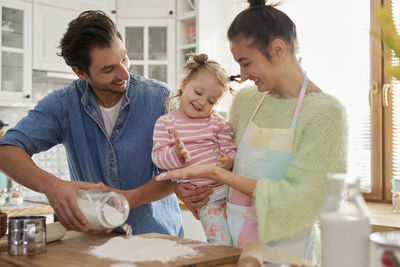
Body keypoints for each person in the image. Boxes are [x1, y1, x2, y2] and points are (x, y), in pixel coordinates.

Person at [157, 0, 347, 261]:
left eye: (246, 63)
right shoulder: (247, 101)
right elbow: (211, 154)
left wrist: (217, 174)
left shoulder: (325, 113)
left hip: (286, 255)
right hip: (232, 247)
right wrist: (185, 189)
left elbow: (303, 201)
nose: (242, 75)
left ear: (278, 49)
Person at [0, 10, 183, 236]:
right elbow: (6, 151)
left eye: (124, 58)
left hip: (159, 239)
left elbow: (179, 171)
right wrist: (53, 186)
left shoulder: (159, 97)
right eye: (108, 69)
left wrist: (130, 198)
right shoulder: (63, 105)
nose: (124, 74)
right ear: (80, 72)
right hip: (93, 244)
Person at [152, 54, 236, 245]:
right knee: (221, 243)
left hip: (231, 191)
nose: (202, 102)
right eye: (198, 92)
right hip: (207, 199)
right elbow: (157, 157)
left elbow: (231, 150)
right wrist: (176, 154)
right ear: (184, 84)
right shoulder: (166, 123)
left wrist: (229, 160)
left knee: (242, 240)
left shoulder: (217, 123)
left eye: (211, 101)